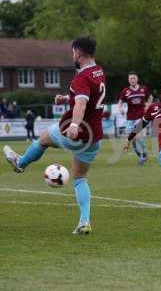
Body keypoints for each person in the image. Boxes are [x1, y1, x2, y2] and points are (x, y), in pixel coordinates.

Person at [3, 36, 106, 234]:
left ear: (78, 52)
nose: (72, 55)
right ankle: (84, 221)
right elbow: (88, 97)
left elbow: (83, 103)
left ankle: (21, 163)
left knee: (43, 138)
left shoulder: (81, 77)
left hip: (73, 133)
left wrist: (75, 124)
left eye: (72, 51)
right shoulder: (98, 71)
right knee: (79, 178)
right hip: (93, 138)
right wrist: (68, 98)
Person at [118, 71, 152, 165]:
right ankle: (141, 156)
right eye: (130, 79)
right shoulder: (125, 91)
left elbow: (150, 98)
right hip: (130, 118)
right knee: (131, 139)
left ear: (137, 79)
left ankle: (144, 155)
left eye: (134, 78)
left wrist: (147, 106)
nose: (132, 80)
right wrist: (120, 109)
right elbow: (120, 102)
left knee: (138, 135)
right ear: (128, 80)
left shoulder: (143, 89)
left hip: (140, 116)